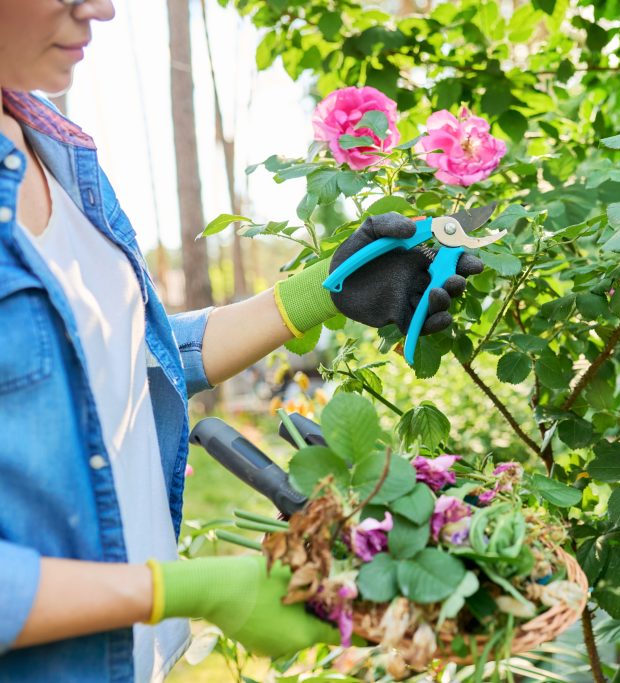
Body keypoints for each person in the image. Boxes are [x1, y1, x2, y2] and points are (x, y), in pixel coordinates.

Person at [0, 1, 483, 681]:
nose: (103, 9)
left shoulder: (57, 150)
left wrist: (318, 293)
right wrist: (181, 590)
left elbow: (131, 360)